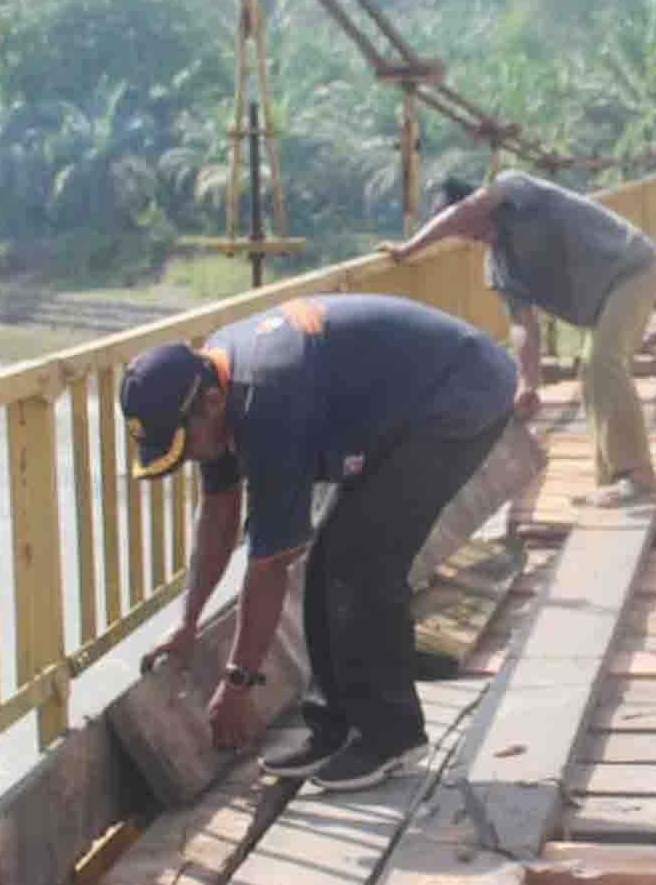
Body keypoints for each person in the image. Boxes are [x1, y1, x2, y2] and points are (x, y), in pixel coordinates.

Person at [123, 295, 516, 792]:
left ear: (211, 403)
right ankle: (335, 725)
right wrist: (188, 621)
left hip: (460, 395)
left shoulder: (268, 402)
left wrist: (238, 683)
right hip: (400, 403)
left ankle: (392, 736)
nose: (191, 459)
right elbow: (220, 514)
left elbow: (268, 566)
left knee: (361, 559)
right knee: (329, 553)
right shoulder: (211, 387)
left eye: (186, 446)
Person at [392, 171, 656, 509]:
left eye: (462, 227)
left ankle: (639, 477)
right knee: (591, 374)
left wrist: (410, 248)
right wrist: (528, 381)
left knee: (602, 363)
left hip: (633, 269)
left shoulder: (517, 189)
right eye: (460, 234)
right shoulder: (500, 267)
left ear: (478, 204)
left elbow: (465, 210)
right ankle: (613, 480)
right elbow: (523, 324)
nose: (467, 236)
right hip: (603, 298)